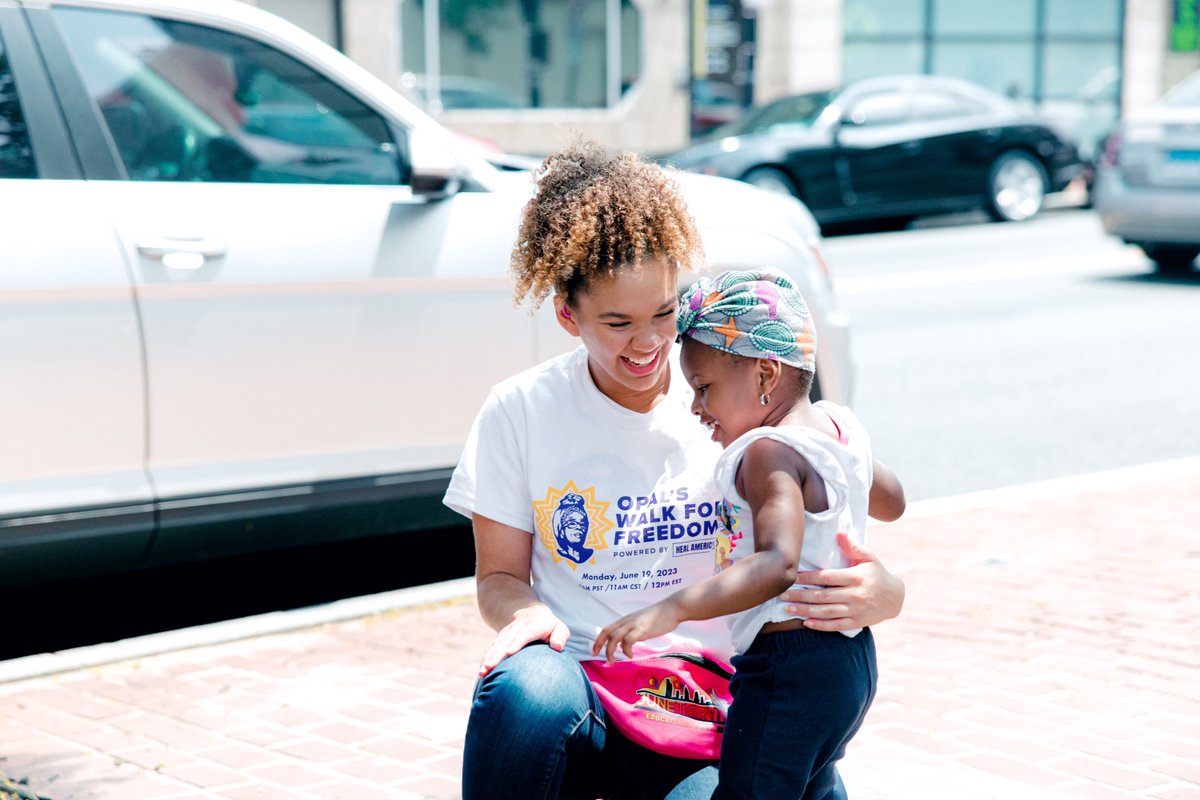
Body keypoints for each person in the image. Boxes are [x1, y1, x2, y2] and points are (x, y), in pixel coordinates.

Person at [443, 138, 905, 800]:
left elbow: (838, 518)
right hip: (586, 683)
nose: (651, 341)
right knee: (525, 689)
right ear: (568, 316)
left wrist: (884, 592)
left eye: (664, 311)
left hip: (714, 697)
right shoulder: (519, 410)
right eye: (618, 322)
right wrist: (522, 615)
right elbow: (500, 576)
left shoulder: (737, 403)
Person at [593, 268, 906, 799]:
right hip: (850, 663)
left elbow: (777, 563)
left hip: (787, 666)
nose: (695, 407)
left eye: (704, 388)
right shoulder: (836, 428)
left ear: (765, 375)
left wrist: (673, 608)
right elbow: (893, 502)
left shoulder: (767, 451)